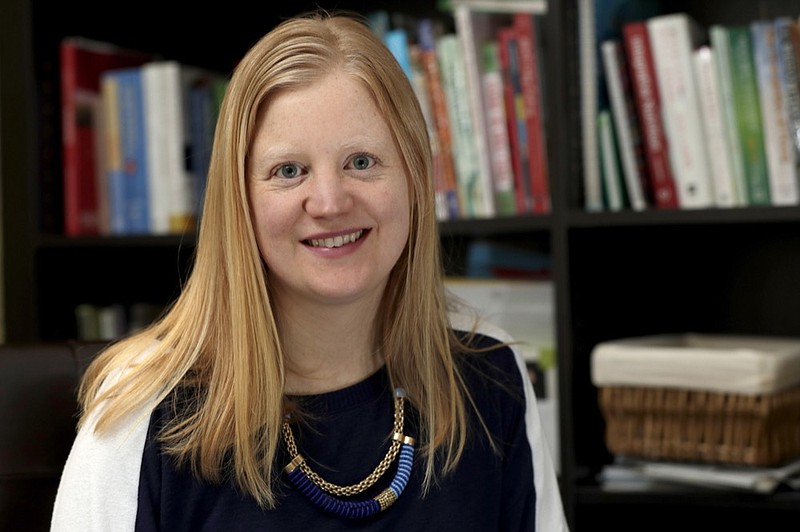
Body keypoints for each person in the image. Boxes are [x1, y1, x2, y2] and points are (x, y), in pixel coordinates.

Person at [51, 10, 568, 531]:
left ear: (414, 176)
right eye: (289, 171)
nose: (328, 202)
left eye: (361, 161)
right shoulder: (143, 414)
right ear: (240, 203)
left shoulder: (492, 377)